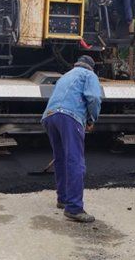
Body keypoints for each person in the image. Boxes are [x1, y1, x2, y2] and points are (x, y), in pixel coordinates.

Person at [41, 55, 102, 223]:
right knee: (75, 161)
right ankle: (74, 208)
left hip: (50, 117)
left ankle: (63, 199)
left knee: (60, 158)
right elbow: (94, 98)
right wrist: (91, 119)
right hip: (69, 116)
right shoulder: (89, 75)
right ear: (91, 67)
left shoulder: (65, 76)